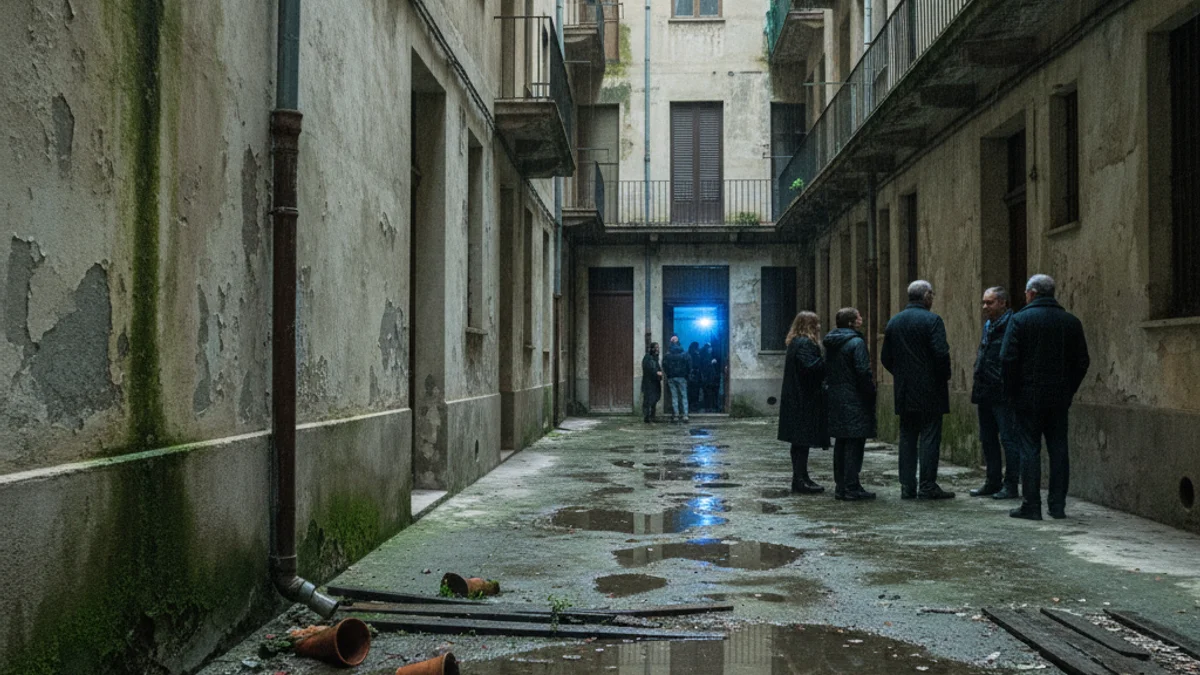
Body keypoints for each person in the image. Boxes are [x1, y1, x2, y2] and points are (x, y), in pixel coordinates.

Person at [1001, 274, 1090, 520]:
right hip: (1059, 397)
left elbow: (1007, 359)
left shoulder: (1019, 320)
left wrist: (1012, 392)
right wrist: (1068, 389)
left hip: (1028, 396)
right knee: (1058, 448)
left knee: (1029, 448)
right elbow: (1082, 362)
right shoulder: (1071, 322)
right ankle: (1057, 505)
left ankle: (1031, 505)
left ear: (1031, 294)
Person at [881, 280, 955, 500]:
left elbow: (886, 357)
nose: (932, 298)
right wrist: (942, 376)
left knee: (907, 437)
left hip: (904, 390)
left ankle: (907, 486)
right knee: (930, 437)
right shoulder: (932, 320)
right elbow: (941, 353)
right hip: (930, 389)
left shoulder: (894, 322)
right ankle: (927, 485)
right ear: (926, 296)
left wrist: (903, 375)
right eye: (931, 294)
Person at [969, 287, 1020, 499]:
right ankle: (992, 481)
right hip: (985, 389)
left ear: (1002, 303)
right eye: (984, 302)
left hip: (1002, 390)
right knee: (988, 438)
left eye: (989, 303)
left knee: (1008, 439)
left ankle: (1011, 484)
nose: (984, 307)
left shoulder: (1013, 324)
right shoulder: (989, 325)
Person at [824, 308, 877, 501]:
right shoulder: (856, 342)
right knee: (855, 443)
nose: (862, 319)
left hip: (837, 397)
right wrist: (870, 392)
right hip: (854, 398)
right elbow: (863, 370)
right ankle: (851, 486)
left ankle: (841, 486)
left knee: (841, 443)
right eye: (859, 316)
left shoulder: (832, 343)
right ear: (851, 323)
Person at [776, 311, 827, 494]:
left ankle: (801, 478)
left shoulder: (795, 343)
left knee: (799, 443)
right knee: (801, 442)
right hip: (802, 399)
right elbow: (811, 369)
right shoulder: (805, 343)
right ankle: (800, 479)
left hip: (797, 399)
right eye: (816, 323)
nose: (820, 326)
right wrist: (826, 361)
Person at [663, 335, 691, 423]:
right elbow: (689, 365)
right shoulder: (684, 354)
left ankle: (676, 415)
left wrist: (668, 374)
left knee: (674, 396)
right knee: (684, 396)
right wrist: (686, 375)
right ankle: (685, 415)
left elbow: (664, 365)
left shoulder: (668, 355)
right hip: (682, 377)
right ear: (679, 343)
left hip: (671, 377)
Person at [641, 342, 663, 424]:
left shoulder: (654, 358)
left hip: (654, 382)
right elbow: (649, 369)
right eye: (655, 347)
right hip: (649, 383)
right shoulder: (648, 358)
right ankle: (648, 417)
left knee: (654, 399)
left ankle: (652, 416)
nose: (657, 349)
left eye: (658, 347)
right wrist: (656, 373)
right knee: (649, 400)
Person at [700, 342, 720, 412]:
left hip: (710, 378)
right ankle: (708, 407)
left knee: (709, 393)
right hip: (707, 378)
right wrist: (711, 362)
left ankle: (710, 407)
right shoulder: (705, 356)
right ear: (707, 349)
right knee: (708, 393)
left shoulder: (709, 355)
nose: (711, 349)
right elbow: (704, 367)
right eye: (710, 348)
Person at [687, 342, 703, 412]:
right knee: (695, 391)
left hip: (691, 376)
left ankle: (691, 406)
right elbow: (697, 365)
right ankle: (694, 406)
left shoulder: (688, 354)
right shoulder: (696, 355)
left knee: (691, 391)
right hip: (695, 375)